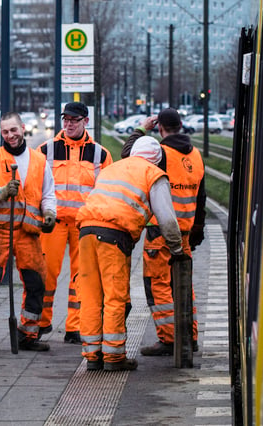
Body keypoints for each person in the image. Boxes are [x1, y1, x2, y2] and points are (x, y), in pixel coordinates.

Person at [76, 136, 184, 371]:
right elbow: (166, 218)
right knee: (115, 297)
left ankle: (93, 355)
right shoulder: (153, 174)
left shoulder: (112, 168)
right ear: (157, 159)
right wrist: (176, 248)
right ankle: (114, 357)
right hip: (114, 236)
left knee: (91, 295)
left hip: (85, 231)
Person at [0, 112, 56, 352]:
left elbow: (48, 195)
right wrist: (3, 192)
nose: (10, 135)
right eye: (5, 132)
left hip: (28, 232)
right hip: (0, 233)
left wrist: (49, 214)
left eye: (13, 130)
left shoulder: (39, 161)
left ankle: (28, 334)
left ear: (22, 128)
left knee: (36, 283)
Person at [121, 108, 206, 356]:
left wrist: (140, 129)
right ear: (181, 126)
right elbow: (202, 196)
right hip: (186, 232)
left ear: (160, 128)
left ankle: (170, 339)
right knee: (184, 284)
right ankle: (190, 336)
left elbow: (129, 158)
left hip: (161, 231)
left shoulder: (161, 154)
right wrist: (198, 228)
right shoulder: (197, 155)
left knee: (158, 284)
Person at [36, 101, 113, 344]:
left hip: (84, 225)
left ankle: (75, 327)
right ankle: (41, 323)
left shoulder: (100, 154)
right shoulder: (46, 150)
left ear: (85, 122)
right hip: (53, 224)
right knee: (46, 274)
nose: (68, 124)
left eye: (74, 120)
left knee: (82, 277)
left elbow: (107, 190)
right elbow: (34, 186)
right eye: (66, 120)